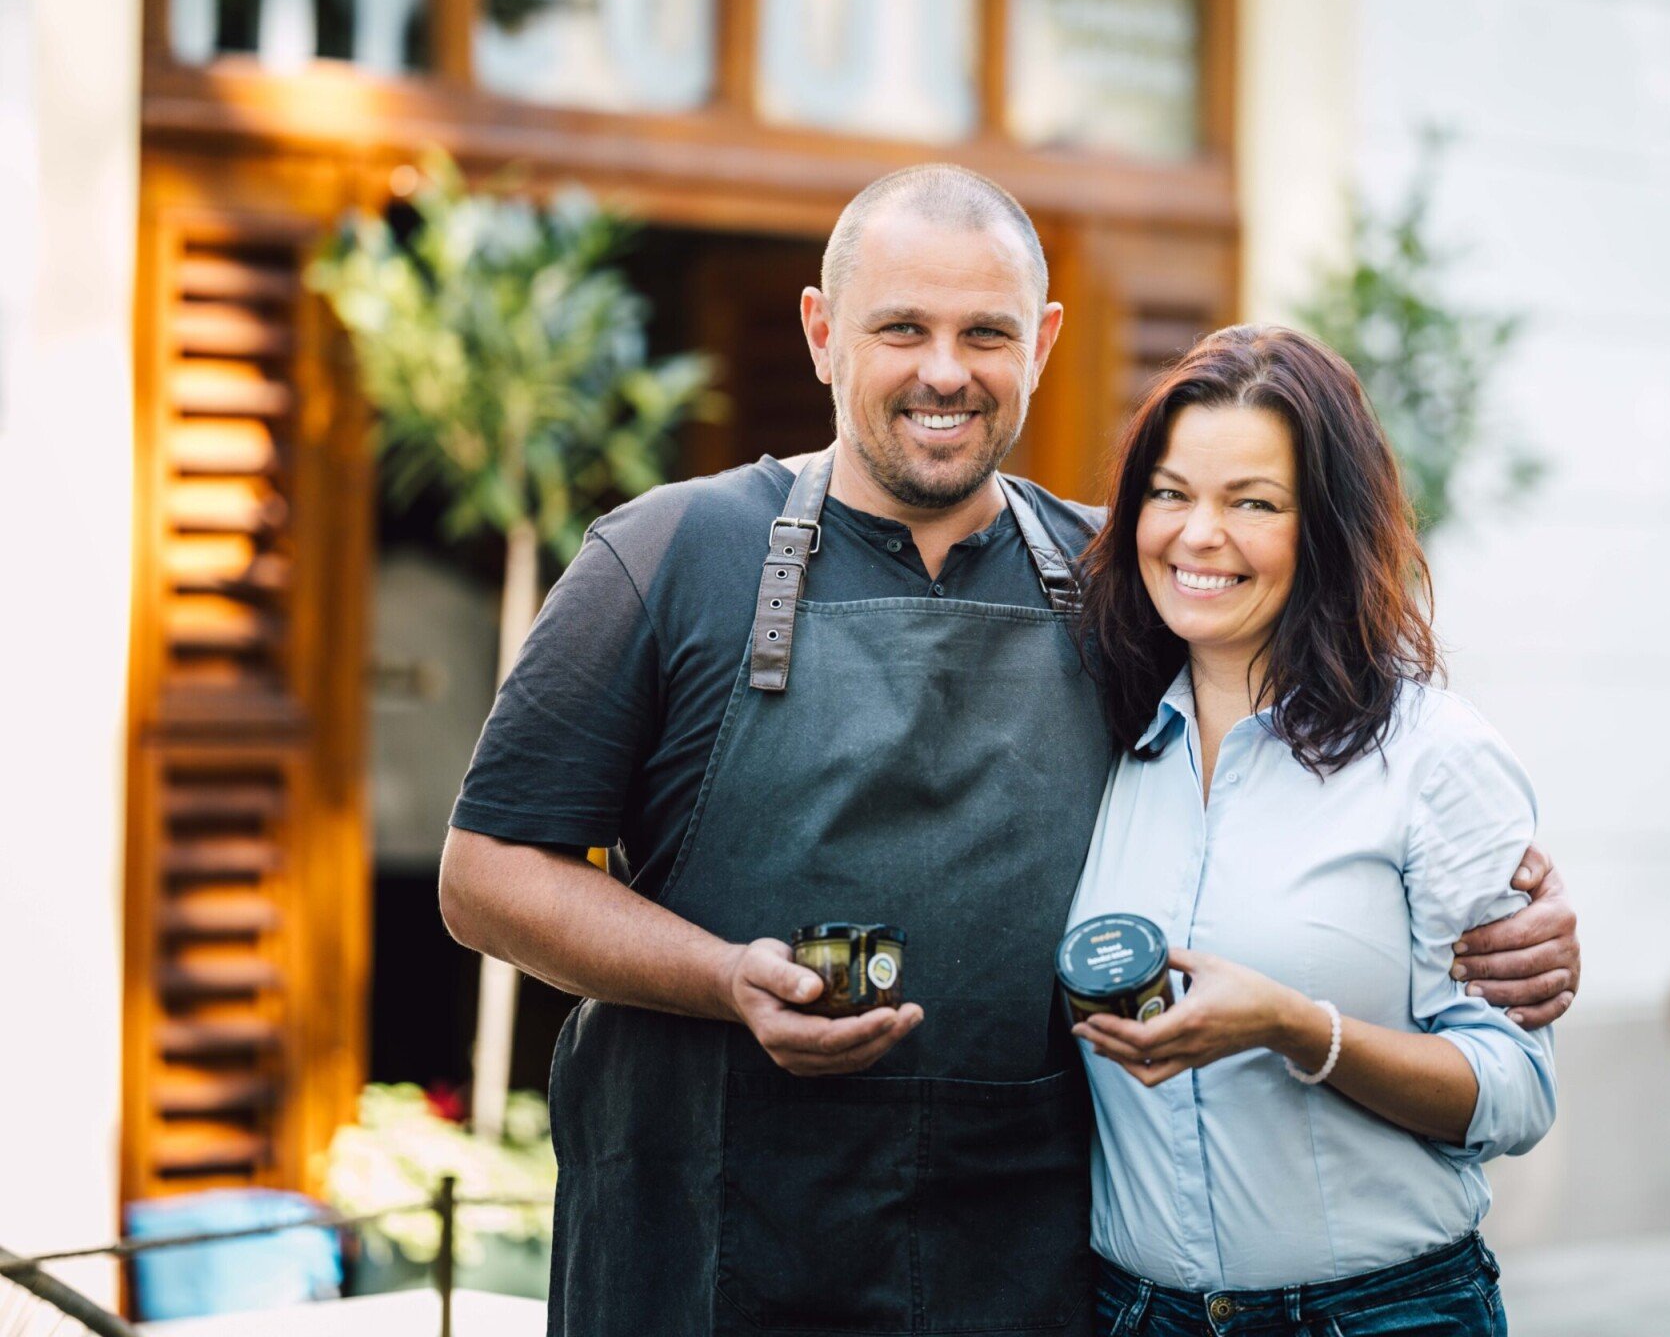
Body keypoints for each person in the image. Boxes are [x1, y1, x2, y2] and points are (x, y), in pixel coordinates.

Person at [436, 165, 1580, 1336]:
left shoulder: (1119, 582)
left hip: (1017, 1263)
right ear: (822, 334)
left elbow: (1313, 731)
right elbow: (485, 877)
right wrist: (725, 979)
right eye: (901, 329)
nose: (945, 370)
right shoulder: (667, 556)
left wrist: (1499, 903)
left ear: (1039, 344)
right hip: (712, 1242)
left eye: (983, 332)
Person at [1069, 324, 1552, 1337]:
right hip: (1135, 1315)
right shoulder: (1100, 741)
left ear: (1323, 529)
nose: (1198, 535)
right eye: (1170, 493)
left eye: (1252, 503)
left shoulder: (1433, 756)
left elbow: (1514, 1091)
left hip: (1376, 1316)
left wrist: (1296, 1027)